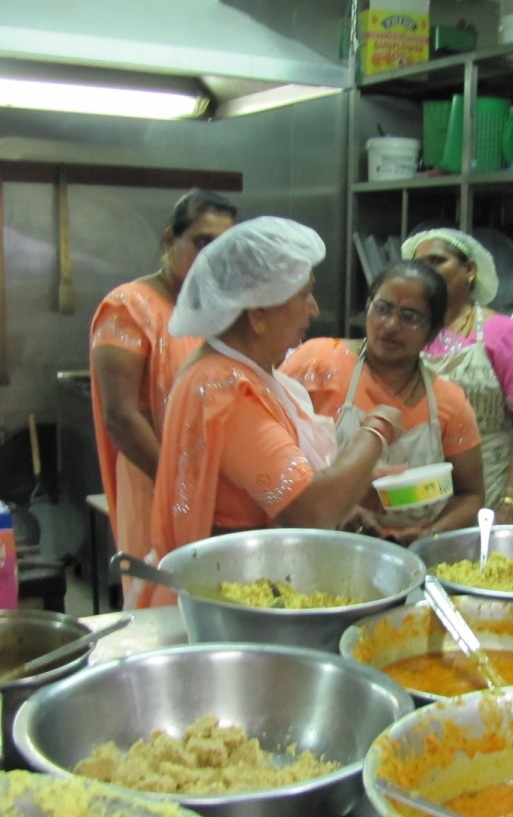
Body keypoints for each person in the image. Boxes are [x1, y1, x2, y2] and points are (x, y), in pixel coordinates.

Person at [138, 217, 402, 608]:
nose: (313, 309)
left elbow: (281, 488)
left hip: (249, 589)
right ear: (258, 313)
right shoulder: (225, 388)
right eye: (304, 295)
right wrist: (377, 429)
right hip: (225, 600)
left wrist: (357, 489)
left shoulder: (250, 374)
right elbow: (310, 508)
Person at [89, 189, 236, 600]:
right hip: (155, 482)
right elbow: (120, 416)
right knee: (164, 601)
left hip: (208, 490)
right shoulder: (129, 306)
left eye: (223, 247)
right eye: (203, 242)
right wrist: (180, 488)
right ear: (170, 240)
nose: (211, 258)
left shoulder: (215, 313)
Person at [280, 260, 485, 544]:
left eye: (410, 316)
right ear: (367, 308)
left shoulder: (449, 401)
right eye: (383, 308)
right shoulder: (318, 362)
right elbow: (271, 459)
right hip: (318, 541)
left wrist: (429, 535)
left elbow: (471, 494)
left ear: (434, 331)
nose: (391, 325)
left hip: (407, 553)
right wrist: (337, 505)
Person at [401, 227, 513, 524]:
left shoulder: (503, 333)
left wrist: (511, 502)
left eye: (437, 260)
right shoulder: (407, 333)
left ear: (469, 270)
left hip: (490, 483)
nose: (427, 271)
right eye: (419, 264)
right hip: (420, 488)